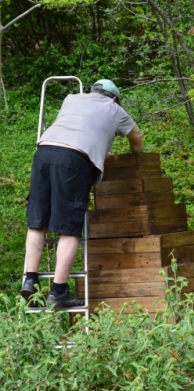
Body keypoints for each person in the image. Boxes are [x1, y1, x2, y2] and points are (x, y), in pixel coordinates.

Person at [21, 79, 144, 308]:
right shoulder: (116, 110)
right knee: (69, 226)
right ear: (114, 97)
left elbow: (79, 130)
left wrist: (97, 149)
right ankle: (58, 291)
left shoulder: (72, 99)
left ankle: (30, 280)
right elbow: (137, 137)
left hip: (44, 152)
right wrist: (136, 161)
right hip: (72, 161)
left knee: (38, 222)